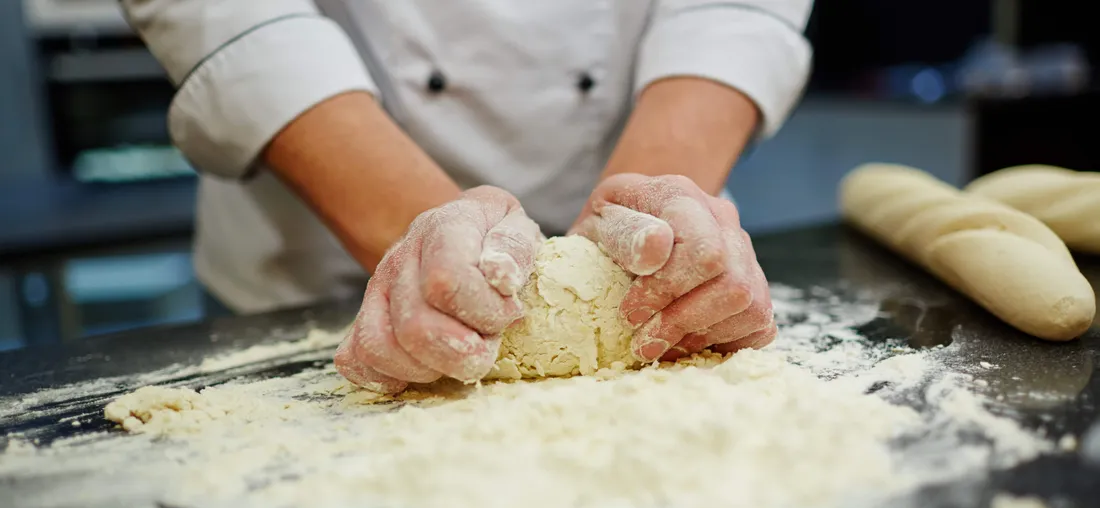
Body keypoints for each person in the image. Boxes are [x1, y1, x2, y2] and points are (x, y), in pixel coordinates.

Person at [121, 1, 814, 393]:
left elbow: (732, 11)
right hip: (305, 263)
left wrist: (657, 237)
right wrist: (430, 261)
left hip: (635, 236)